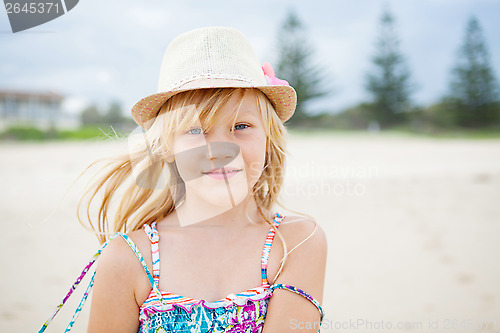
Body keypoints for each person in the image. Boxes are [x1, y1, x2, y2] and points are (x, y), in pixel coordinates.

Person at [39, 26, 327, 333]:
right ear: (168, 148)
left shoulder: (296, 242)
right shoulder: (129, 258)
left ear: (269, 139)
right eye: (195, 131)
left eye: (241, 126)